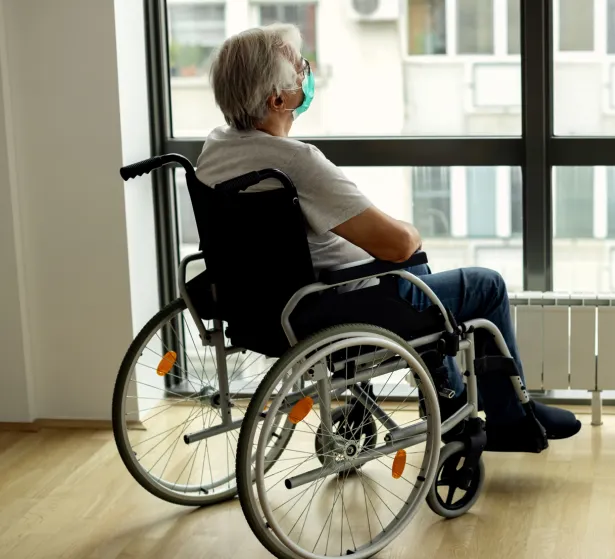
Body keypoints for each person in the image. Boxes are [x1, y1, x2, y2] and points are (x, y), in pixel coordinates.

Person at [195, 24, 581, 450]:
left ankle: (448, 405)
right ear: (278, 99)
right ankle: (508, 418)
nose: (308, 75)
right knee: (481, 284)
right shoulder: (296, 163)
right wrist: (412, 233)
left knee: (419, 278)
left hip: (257, 310)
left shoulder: (215, 150)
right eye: (302, 70)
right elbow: (396, 243)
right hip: (331, 308)